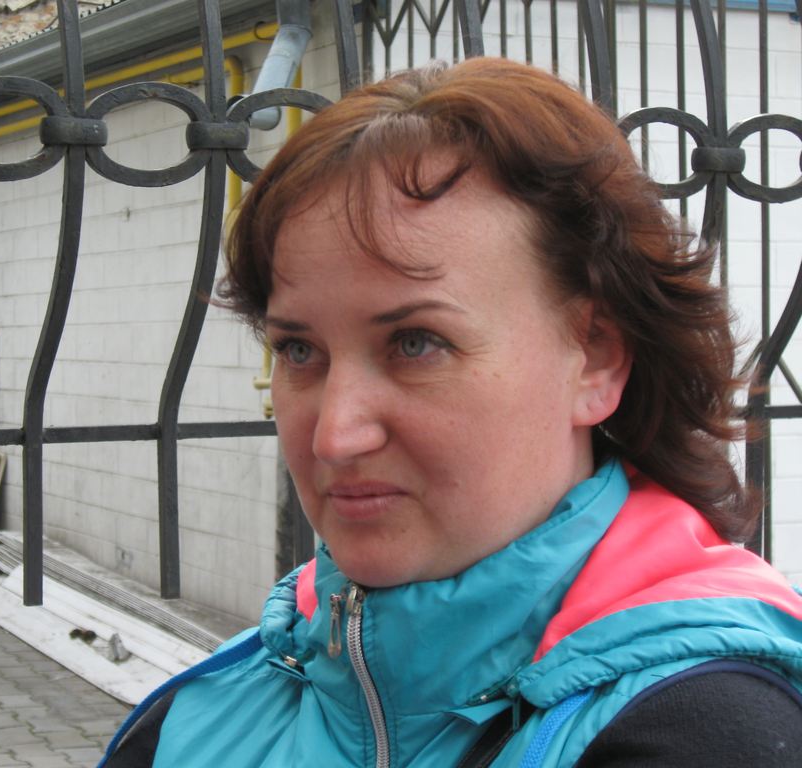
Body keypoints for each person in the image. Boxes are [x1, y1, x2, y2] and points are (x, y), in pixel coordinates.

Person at [99, 57, 802, 767]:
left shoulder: (707, 732)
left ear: (595, 358)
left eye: (416, 343)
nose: (336, 436)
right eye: (300, 350)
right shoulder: (199, 716)